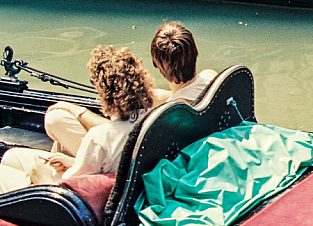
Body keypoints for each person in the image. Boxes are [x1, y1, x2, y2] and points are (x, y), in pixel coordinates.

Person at [41, 22, 214, 158]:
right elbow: (181, 94)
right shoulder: (211, 79)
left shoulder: (163, 117)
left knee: (56, 119)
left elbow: (121, 134)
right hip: (177, 148)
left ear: (156, 64)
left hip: (127, 163)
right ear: (195, 53)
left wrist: (78, 111)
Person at [0, 46, 155, 193]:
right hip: (105, 187)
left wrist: (42, 177)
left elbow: (70, 186)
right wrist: (71, 162)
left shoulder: (99, 137)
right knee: (11, 156)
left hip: (63, 198)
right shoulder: (151, 121)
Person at [150, 22, 218, 104]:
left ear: (156, 64)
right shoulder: (211, 77)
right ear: (195, 53)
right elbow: (189, 91)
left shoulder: (169, 109)